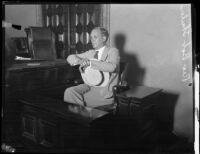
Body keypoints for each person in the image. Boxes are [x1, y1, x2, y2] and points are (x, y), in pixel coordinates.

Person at [64, 27, 120, 108]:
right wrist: (80, 61)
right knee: (69, 92)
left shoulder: (113, 51)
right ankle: (78, 118)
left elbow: (112, 67)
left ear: (104, 38)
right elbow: (70, 58)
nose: (92, 40)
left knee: (80, 99)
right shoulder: (91, 53)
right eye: (91, 37)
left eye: (95, 37)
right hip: (89, 86)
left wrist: (90, 62)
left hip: (104, 90)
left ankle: (81, 117)